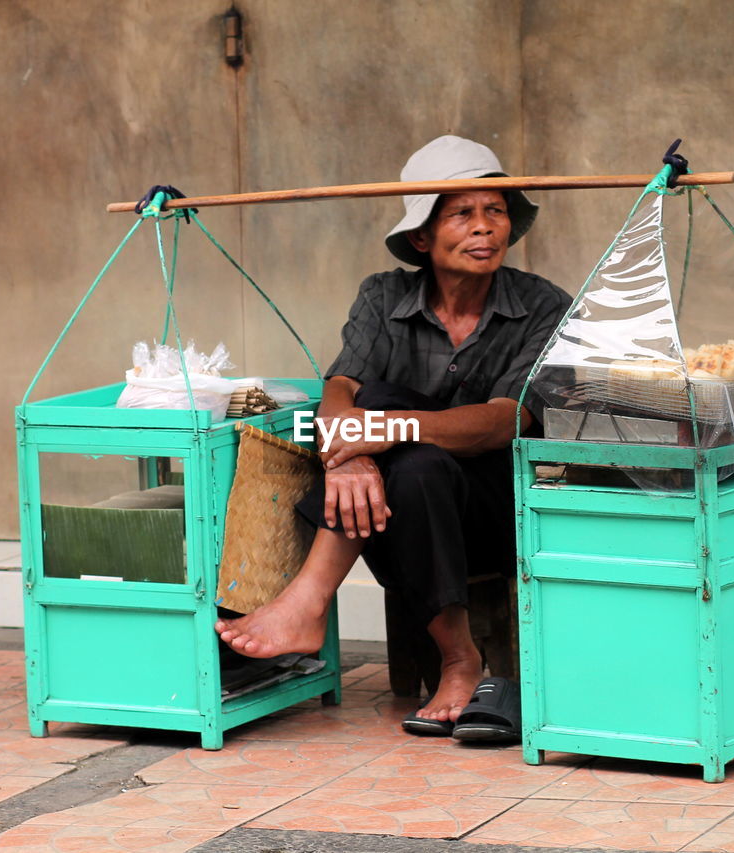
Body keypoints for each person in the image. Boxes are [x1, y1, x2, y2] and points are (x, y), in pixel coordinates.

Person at [215, 135, 570, 736]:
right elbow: (337, 394)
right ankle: (462, 660)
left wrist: (386, 429)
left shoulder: (544, 307)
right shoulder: (384, 297)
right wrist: (349, 461)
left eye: (497, 211)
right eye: (462, 213)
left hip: (494, 509)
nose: (485, 228)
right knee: (404, 452)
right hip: (405, 506)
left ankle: (311, 595)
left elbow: (505, 420)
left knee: (389, 419)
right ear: (421, 238)